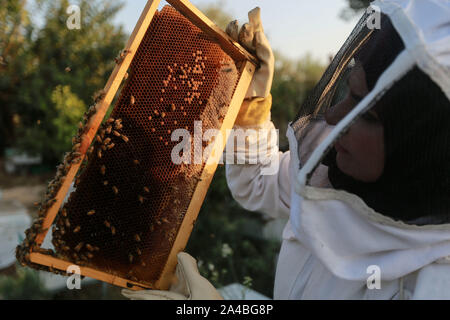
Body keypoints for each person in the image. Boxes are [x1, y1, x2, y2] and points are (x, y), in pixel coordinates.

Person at [123, 0, 450, 300]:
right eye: (347, 94)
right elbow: (257, 183)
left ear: (425, 149)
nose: (335, 116)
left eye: (364, 114)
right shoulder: (332, 176)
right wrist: (251, 105)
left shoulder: (434, 285)